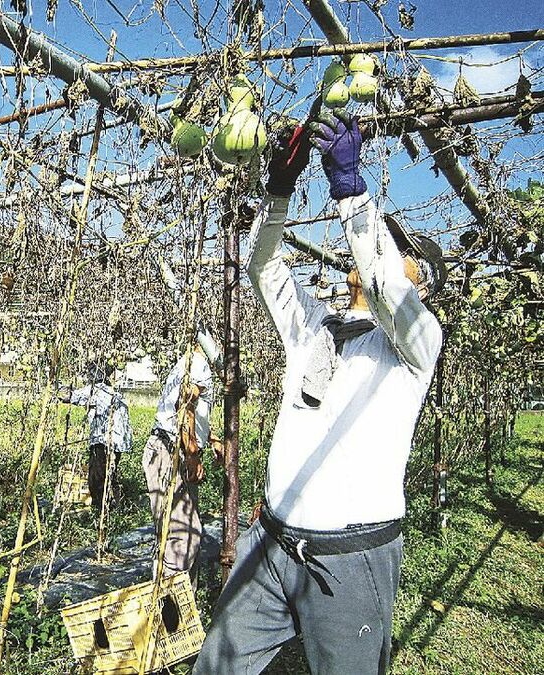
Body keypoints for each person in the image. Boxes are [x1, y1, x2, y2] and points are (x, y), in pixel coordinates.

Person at [195, 112, 446, 674]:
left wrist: (354, 195)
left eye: (397, 248)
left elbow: (384, 283)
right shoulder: (316, 327)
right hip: (272, 544)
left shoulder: (417, 344)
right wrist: (278, 192)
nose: (378, 254)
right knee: (215, 667)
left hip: (350, 559)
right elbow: (263, 267)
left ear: (421, 281)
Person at [143, 342, 222, 586]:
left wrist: (210, 438)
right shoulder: (199, 364)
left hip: (167, 449)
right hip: (171, 452)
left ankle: (180, 607)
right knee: (184, 535)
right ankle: (167, 610)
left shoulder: (187, 363)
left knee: (176, 534)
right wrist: (191, 454)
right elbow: (185, 401)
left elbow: (191, 411)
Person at [58, 360, 132, 509]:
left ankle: (101, 510)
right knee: (109, 474)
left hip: (102, 441)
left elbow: (69, 396)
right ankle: (115, 505)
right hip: (117, 443)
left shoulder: (95, 390)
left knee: (96, 479)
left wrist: (56, 386)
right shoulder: (115, 393)